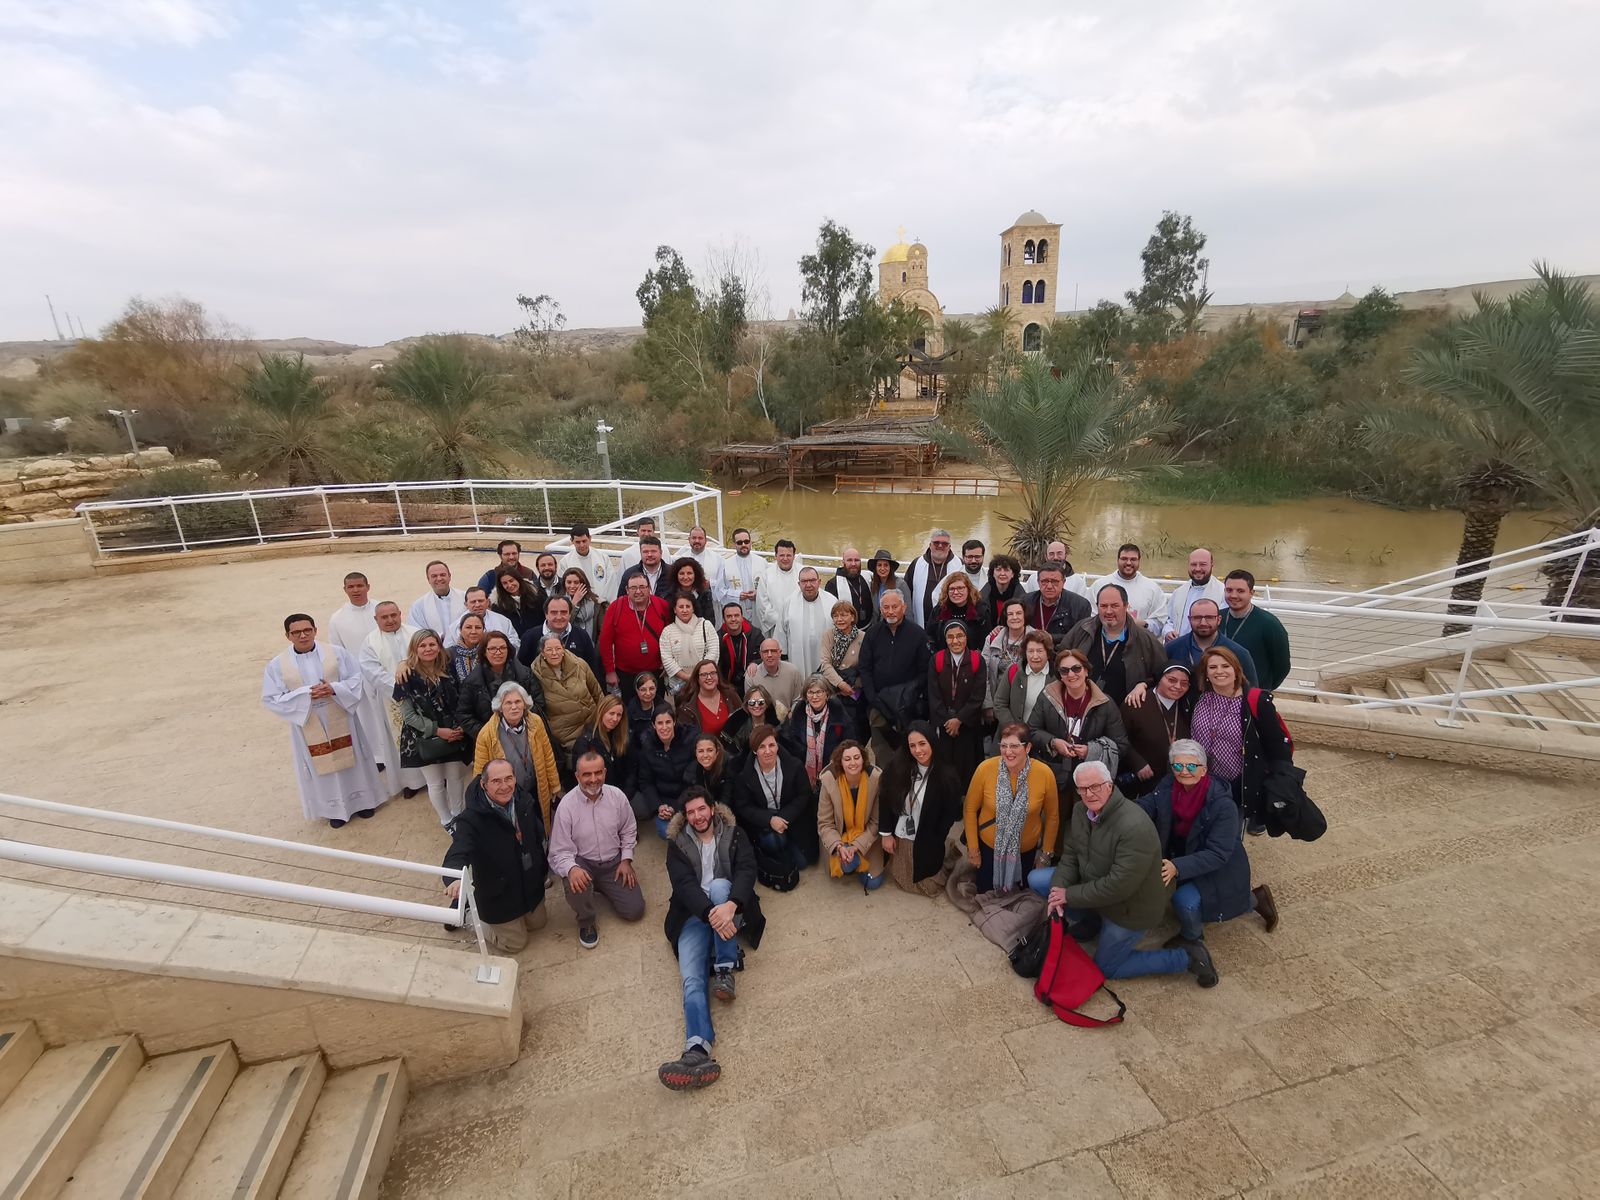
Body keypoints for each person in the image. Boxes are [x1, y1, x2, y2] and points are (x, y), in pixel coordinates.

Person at [1046, 761, 1219, 987]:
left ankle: (1186, 957)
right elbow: (1070, 855)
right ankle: (1093, 921)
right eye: (1083, 788)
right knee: (1042, 882)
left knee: (1106, 968)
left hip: (1131, 908)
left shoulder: (1133, 825)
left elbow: (1118, 886)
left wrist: (1068, 895)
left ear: (1110, 785)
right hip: (1098, 888)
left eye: (1096, 786)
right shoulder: (1081, 810)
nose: (1089, 794)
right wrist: (1056, 890)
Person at [657, 787, 765, 1091]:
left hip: (729, 906)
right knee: (691, 979)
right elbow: (683, 885)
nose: (697, 816)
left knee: (719, 886)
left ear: (712, 809)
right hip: (693, 914)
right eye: (690, 812)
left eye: (701, 809)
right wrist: (710, 915)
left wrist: (730, 906)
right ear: (685, 816)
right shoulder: (676, 843)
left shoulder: (734, 833)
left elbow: (747, 869)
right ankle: (697, 1049)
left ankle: (724, 970)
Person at [1138, 739, 1278, 949]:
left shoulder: (1223, 806)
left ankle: (1192, 938)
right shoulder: (1169, 785)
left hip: (1218, 866)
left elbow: (1218, 854)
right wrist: (1115, 809)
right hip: (1185, 854)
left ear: (1204, 770)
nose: (1184, 771)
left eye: (1191, 766)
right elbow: (1146, 805)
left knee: (1184, 901)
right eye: (1177, 765)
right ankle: (1252, 898)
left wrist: (1178, 867)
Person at [263, 614, 387, 828]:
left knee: (353, 758)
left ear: (315, 630)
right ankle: (335, 810)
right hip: (308, 720)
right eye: (296, 632)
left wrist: (334, 688)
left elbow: (356, 678)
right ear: (288, 635)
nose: (303, 635)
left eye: (307, 630)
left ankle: (364, 802)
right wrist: (304, 694)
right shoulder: (277, 665)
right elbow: (271, 697)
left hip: (340, 713)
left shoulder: (336, 653)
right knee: (322, 766)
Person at [442, 759, 548, 954]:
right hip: (499, 891)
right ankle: (466, 913)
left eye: (509, 778)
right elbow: (459, 850)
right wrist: (454, 878)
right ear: (484, 784)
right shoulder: (470, 819)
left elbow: (537, 833)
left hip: (527, 881)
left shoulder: (523, 800)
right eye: (497, 781)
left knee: (539, 924)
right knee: (515, 943)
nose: (505, 786)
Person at [1191, 646, 1293, 837]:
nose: (1219, 671)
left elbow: (1277, 746)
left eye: (1225, 665)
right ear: (1205, 673)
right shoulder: (1200, 697)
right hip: (1201, 779)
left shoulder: (1255, 702)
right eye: (1212, 667)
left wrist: (1282, 780)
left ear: (1236, 669)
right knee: (1201, 828)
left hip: (1236, 784)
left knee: (1229, 834)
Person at [548, 750, 645, 948]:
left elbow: (629, 830)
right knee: (574, 883)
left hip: (614, 862)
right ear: (577, 776)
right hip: (583, 862)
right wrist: (572, 869)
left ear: (605, 772)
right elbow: (559, 851)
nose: (593, 779)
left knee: (635, 911)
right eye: (586, 774)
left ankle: (601, 884)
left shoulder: (617, 796)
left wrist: (626, 859)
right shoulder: (566, 807)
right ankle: (586, 921)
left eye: (598, 773)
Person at [1030, 648, 1133, 826]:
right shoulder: (1047, 697)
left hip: (1090, 780)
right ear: (1059, 675)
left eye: (1076, 668)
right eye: (1064, 670)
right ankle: (1054, 853)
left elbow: (1121, 744)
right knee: (1055, 822)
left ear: (1086, 670)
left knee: (1085, 825)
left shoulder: (1104, 703)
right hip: (1055, 773)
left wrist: (1091, 750)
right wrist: (1053, 743)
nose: (1071, 674)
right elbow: (1031, 729)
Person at [965, 725, 1059, 894]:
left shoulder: (1044, 774)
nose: (1008, 752)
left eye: (1015, 746)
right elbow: (970, 809)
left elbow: (1052, 817)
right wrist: (973, 849)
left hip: (1025, 853)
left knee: (1019, 899)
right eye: (1004, 745)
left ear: (1028, 747)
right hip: (989, 851)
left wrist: (1045, 855)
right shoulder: (985, 769)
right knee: (987, 897)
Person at [393, 629, 471, 827]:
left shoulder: (449, 667)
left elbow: (462, 698)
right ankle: (446, 819)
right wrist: (437, 730)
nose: (428, 649)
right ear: (414, 648)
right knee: (435, 782)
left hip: (454, 731)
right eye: (422, 645)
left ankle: (458, 813)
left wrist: (459, 727)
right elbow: (409, 715)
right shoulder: (406, 676)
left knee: (455, 777)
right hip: (425, 736)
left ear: (438, 646)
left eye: (432, 644)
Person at [879, 721, 963, 895]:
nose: (918, 750)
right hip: (902, 831)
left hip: (929, 835)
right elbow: (885, 800)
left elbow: (948, 814)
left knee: (930, 888)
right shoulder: (897, 767)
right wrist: (886, 834)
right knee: (905, 881)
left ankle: (946, 850)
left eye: (922, 743)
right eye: (912, 745)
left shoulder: (947, 775)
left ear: (932, 742)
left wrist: (937, 838)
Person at [732, 724, 817, 887]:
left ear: (777, 746)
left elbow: (804, 794)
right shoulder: (744, 775)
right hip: (764, 824)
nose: (768, 751)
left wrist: (783, 817)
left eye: (771, 745)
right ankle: (767, 850)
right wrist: (770, 819)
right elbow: (743, 806)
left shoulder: (794, 765)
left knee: (804, 863)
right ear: (754, 750)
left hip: (791, 818)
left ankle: (787, 845)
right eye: (762, 747)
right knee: (774, 841)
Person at [357, 601, 425, 799]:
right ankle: (411, 782)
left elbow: (429, 656)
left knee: (426, 735)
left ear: (400, 614)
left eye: (393, 615)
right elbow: (372, 671)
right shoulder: (370, 642)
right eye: (384, 617)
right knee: (399, 741)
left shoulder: (416, 633)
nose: (390, 620)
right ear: (376, 619)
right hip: (391, 700)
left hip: (422, 695)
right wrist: (400, 690)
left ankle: (435, 778)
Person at [471, 683, 561, 830]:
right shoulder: (487, 734)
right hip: (508, 794)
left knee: (540, 827)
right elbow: (480, 773)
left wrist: (555, 785)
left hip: (536, 789)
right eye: (508, 703)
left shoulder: (536, 722)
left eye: (518, 702)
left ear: (525, 704)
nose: (514, 707)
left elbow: (548, 756)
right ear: (500, 706)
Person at [1062, 583, 1169, 704]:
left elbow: (1162, 674)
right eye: (1103, 606)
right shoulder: (1082, 629)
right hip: (1081, 708)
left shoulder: (1146, 639)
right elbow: (1060, 657)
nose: (1108, 611)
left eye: (1114, 606)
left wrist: (1144, 684)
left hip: (1123, 713)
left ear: (1126, 606)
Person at [858, 589, 930, 767]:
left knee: (909, 750)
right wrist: (873, 698)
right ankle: (885, 788)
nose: (890, 611)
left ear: (904, 607)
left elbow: (924, 671)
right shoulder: (872, 634)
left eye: (895, 606)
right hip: (878, 704)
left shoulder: (918, 634)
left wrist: (908, 694)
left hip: (908, 705)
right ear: (880, 609)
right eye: (886, 607)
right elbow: (864, 668)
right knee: (882, 752)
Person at [327, 573, 387, 778]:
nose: (356, 590)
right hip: (358, 676)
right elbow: (337, 652)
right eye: (351, 586)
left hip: (384, 672)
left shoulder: (381, 609)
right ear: (344, 589)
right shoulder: (337, 619)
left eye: (360, 585)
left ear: (368, 586)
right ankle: (377, 756)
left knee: (388, 714)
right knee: (367, 717)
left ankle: (394, 752)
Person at [1120, 663, 1195, 798]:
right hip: (1144, 782)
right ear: (1160, 679)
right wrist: (1137, 762)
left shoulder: (1188, 704)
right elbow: (1119, 736)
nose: (1178, 687)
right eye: (1171, 680)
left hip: (1178, 781)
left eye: (1184, 683)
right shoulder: (1136, 702)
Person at [457, 631, 543, 745]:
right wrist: (488, 734)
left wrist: (522, 726)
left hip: (526, 736)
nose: (498, 652)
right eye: (492, 649)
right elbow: (464, 715)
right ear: (484, 652)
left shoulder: (524, 674)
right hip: (491, 741)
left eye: (503, 648)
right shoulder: (472, 682)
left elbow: (539, 704)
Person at [817, 741, 884, 888]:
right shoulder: (829, 781)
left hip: (866, 838)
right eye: (847, 759)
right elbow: (825, 823)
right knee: (846, 866)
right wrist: (840, 847)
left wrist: (855, 847)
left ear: (863, 759)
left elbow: (875, 822)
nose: (853, 763)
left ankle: (857, 858)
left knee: (871, 883)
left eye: (856, 757)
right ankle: (849, 861)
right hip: (839, 836)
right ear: (840, 762)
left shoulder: (875, 780)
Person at [530, 633, 603, 760]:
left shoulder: (580, 664)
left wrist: (602, 718)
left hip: (592, 723)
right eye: (549, 649)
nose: (554, 653)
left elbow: (597, 692)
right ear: (542, 652)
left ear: (563, 648)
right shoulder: (535, 675)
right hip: (565, 734)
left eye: (558, 648)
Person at [929, 620, 985, 782]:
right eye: (950, 637)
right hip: (944, 726)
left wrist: (959, 719)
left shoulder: (976, 660)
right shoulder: (937, 660)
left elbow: (978, 696)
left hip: (968, 726)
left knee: (968, 770)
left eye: (960, 636)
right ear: (945, 639)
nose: (955, 641)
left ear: (967, 637)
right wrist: (948, 721)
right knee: (944, 769)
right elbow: (933, 695)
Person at [1221, 570, 1293, 691]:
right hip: (1219, 691)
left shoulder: (1269, 624)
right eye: (1229, 590)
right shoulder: (1217, 618)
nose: (1233, 595)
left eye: (1240, 591)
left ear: (1251, 593)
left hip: (1253, 695)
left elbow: (1282, 666)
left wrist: (1263, 689)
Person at [599, 572, 669, 696]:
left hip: (656, 672)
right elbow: (605, 641)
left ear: (649, 589)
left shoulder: (661, 606)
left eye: (642, 587)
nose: (638, 591)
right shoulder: (615, 607)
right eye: (633, 588)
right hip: (626, 674)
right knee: (630, 710)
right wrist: (610, 671)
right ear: (627, 590)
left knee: (657, 710)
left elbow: (671, 635)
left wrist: (667, 662)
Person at [1166, 598, 1259, 686]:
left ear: (1218, 620)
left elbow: (1251, 691)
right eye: (1197, 618)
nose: (1203, 623)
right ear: (1189, 619)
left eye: (1209, 617)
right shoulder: (1171, 648)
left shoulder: (1238, 653)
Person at [782, 678, 853, 791]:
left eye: (819, 692)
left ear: (827, 694)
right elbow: (792, 741)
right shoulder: (799, 712)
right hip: (804, 772)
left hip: (834, 771)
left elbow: (849, 742)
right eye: (811, 692)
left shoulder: (838, 712)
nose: (815, 697)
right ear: (806, 695)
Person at [635, 709, 696, 837]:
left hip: (686, 796)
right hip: (663, 799)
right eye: (660, 723)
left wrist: (677, 806)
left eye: (668, 722)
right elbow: (646, 782)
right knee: (666, 832)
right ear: (653, 725)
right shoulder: (648, 748)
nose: (664, 727)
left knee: (693, 825)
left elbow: (692, 780)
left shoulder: (689, 743)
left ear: (674, 722)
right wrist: (659, 806)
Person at [517, 593, 600, 678]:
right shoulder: (530, 637)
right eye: (554, 612)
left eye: (564, 612)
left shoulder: (582, 635)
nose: (559, 617)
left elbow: (592, 669)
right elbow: (522, 669)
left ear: (570, 614)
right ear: (546, 614)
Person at [570, 694, 634, 798]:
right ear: (601, 712)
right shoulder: (585, 742)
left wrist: (624, 795)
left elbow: (631, 770)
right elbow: (583, 780)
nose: (615, 719)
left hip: (621, 793)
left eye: (619, 715)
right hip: (596, 796)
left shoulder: (622, 737)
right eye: (611, 713)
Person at [993, 630, 1055, 732]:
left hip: (1043, 738)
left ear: (1048, 654)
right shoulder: (1014, 670)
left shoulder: (1056, 676)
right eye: (1030, 651)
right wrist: (1014, 729)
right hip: (1014, 737)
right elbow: (999, 703)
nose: (1035, 656)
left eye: (1039, 651)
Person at [659, 591, 719, 695]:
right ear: (674, 609)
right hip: (680, 687)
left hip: (706, 682)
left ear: (693, 608)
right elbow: (667, 659)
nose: (685, 610)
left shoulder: (706, 625)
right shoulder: (667, 632)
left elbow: (713, 651)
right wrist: (688, 677)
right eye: (681, 607)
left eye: (688, 606)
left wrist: (700, 675)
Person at [815, 600, 865, 722]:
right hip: (831, 685)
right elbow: (825, 664)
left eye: (843, 615)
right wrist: (840, 685)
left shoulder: (863, 637)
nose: (839, 619)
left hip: (853, 688)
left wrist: (852, 687)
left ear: (852, 617)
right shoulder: (828, 634)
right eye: (835, 616)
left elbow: (865, 667)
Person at [1164, 547, 1227, 642]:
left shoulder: (1223, 593)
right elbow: (1168, 619)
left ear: (1212, 565)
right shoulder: (1179, 592)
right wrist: (1168, 631)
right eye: (1193, 564)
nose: (1197, 569)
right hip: (1179, 646)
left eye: (1203, 564)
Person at [1103, 544, 1168, 634]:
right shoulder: (1101, 585)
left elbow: (1160, 623)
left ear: (1139, 561)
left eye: (1133, 559)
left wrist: (1142, 624)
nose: (1128, 563)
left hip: (1139, 642)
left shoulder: (1152, 588)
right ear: (1117, 560)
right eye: (1124, 559)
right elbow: (1090, 618)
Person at [1025, 563, 1092, 649]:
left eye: (1054, 582)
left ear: (1063, 582)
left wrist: (1052, 638)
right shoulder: (1026, 601)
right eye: (1044, 581)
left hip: (1063, 654)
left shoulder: (1080, 605)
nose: (1049, 586)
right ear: (1038, 582)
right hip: (1031, 652)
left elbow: (1081, 637)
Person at [676, 659, 741, 742]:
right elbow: (685, 740)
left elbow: (744, 724)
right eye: (704, 675)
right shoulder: (688, 708)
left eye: (712, 673)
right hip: (704, 753)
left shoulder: (731, 695)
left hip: (733, 752)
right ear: (697, 679)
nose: (709, 677)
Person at [981, 599, 1033, 700]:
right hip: (998, 698)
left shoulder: (1037, 639)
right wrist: (988, 704)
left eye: (1019, 613)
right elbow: (984, 673)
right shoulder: (992, 639)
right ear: (1005, 617)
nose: (1014, 617)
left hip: (1027, 699)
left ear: (1025, 615)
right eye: (1010, 614)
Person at [904, 529, 955, 628]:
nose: (940, 546)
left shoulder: (959, 565)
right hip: (921, 622)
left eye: (944, 544)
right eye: (936, 543)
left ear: (949, 547)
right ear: (930, 545)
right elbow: (907, 592)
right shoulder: (917, 563)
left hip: (949, 624)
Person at [756, 539, 802, 644]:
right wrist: (780, 622)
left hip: (799, 626)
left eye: (789, 555)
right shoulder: (767, 575)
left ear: (794, 556)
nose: (785, 558)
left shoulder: (803, 572)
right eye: (781, 555)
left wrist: (794, 621)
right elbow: (762, 604)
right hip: (775, 626)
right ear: (775, 555)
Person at [408, 560, 465, 640]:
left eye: (443, 575)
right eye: (434, 576)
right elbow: (416, 631)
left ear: (449, 576)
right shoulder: (419, 606)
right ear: (428, 579)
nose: (439, 578)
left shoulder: (465, 598)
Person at [745, 638, 804, 716]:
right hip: (762, 721)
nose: (769, 655)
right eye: (765, 652)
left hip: (789, 720)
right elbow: (750, 705)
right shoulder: (751, 676)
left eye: (773, 651)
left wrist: (792, 714)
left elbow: (798, 699)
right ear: (760, 654)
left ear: (780, 653)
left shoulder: (793, 671)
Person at [557, 524, 614, 600]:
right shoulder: (565, 562)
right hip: (579, 605)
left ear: (590, 538)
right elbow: (564, 587)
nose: (582, 545)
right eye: (578, 542)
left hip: (602, 603)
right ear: (572, 541)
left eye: (584, 541)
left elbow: (611, 583)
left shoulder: (603, 558)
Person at [727, 686, 776, 773]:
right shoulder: (739, 726)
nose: (756, 706)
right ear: (746, 705)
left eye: (760, 702)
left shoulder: (776, 723)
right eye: (752, 703)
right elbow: (733, 755)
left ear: (767, 704)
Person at [677, 526, 729, 606]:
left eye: (700, 538)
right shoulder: (680, 558)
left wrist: (710, 584)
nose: (697, 541)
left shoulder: (718, 559)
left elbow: (724, 582)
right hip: (687, 603)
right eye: (694, 538)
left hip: (711, 602)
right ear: (689, 539)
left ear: (706, 540)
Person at [931, 572, 986, 647]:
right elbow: (930, 636)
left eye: (960, 588)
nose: (956, 592)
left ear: (968, 589)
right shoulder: (940, 610)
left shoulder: (980, 610)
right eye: (951, 589)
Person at [683, 733, 736, 812]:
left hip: (730, 811)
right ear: (696, 753)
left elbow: (728, 796)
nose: (705, 755)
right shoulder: (691, 772)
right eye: (700, 751)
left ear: (717, 752)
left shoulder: (730, 764)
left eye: (710, 750)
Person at [717, 601, 761, 695]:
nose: (733, 619)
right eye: (729, 616)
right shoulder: (718, 638)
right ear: (724, 619)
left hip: (751, 681)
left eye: (736, 615)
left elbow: (766, 655)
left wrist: (755, 663)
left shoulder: (755, 634)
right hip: (727, 685)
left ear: (742, 617)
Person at [826, 546, 874, 627]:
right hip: (846, 632)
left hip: (868, 629)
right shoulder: (833, 584)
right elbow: (830, 613)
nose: (853, 564)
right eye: (849, 560)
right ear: (843, 562)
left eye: (857, 560)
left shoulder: (867, 577)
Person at [491, 568, 545, 640]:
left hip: (537, 639)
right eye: (505, 583)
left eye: (511, 580)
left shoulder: (536, 596)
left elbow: (544, 618)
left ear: (518, 579)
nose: (509, 585)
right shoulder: (498, 605)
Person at [722, 527, 761, 623]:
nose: (744, 545)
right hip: (736, 612)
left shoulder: (762, 562)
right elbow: (719, 591)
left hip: (757, 609)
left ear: (750, 542)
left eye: (746, 541)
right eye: (739, 542)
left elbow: (769, 587)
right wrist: (737, 595)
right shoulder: (725, 565)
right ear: (734, 544)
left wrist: (758, 593)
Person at [661, 557, 717, 624]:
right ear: (676, 575)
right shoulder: (668, 597)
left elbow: (710, 621)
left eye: (689, 573)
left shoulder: (705, 595)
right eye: (681, 573)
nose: (685, 577)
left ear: (696, 575)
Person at [626, 671, 671, 751]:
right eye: (643, 689)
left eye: (652, 689)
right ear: (637, 690)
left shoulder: (665, 707)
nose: (648, 693)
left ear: (656, 689)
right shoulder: (630, 710)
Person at [978, 554, 1024, 632]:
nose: (1002, 574)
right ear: (993, 573)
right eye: (998, 570)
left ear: (1013, 574)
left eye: (1006, 570)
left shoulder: (1022, 597)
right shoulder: (982, 596)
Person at [617, 534, 668, 601]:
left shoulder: (672, 573)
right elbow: (621, 602)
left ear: (661, 552)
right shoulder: (629, 574)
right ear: (640, 553)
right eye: (645, 552)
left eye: (653, 551)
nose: (649, 555)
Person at [561, 568, 604, 644]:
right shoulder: (559, 602)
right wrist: (573, 604)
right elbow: (562, 625)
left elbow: (602, 632)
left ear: (583, 584)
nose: (572, 586)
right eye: (569, 582)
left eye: (576, 582)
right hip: (568, 648)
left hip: (590, 647)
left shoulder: (597, 603)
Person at [615, 517, 661, 587]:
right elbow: (621, 580)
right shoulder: (628, 554)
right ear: (637, 531)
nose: (646, 534)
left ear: (653, 531)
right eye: (643, 530)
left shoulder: (664, 550)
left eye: (649, 531)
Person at [866, 548, 911, 616]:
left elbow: (908, 612)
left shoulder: (901, 585)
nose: (882, 568)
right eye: (879, 565)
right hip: (879, 626)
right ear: (875, 568)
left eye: (886, 565)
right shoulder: (873, 585)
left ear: (890, 567)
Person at [447, 613, 487, 681]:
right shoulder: (449, 653)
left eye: (478, 627)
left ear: (483, 630)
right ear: (460, 630)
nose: (473, 631)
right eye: (468, 627)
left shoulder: (488, 651)